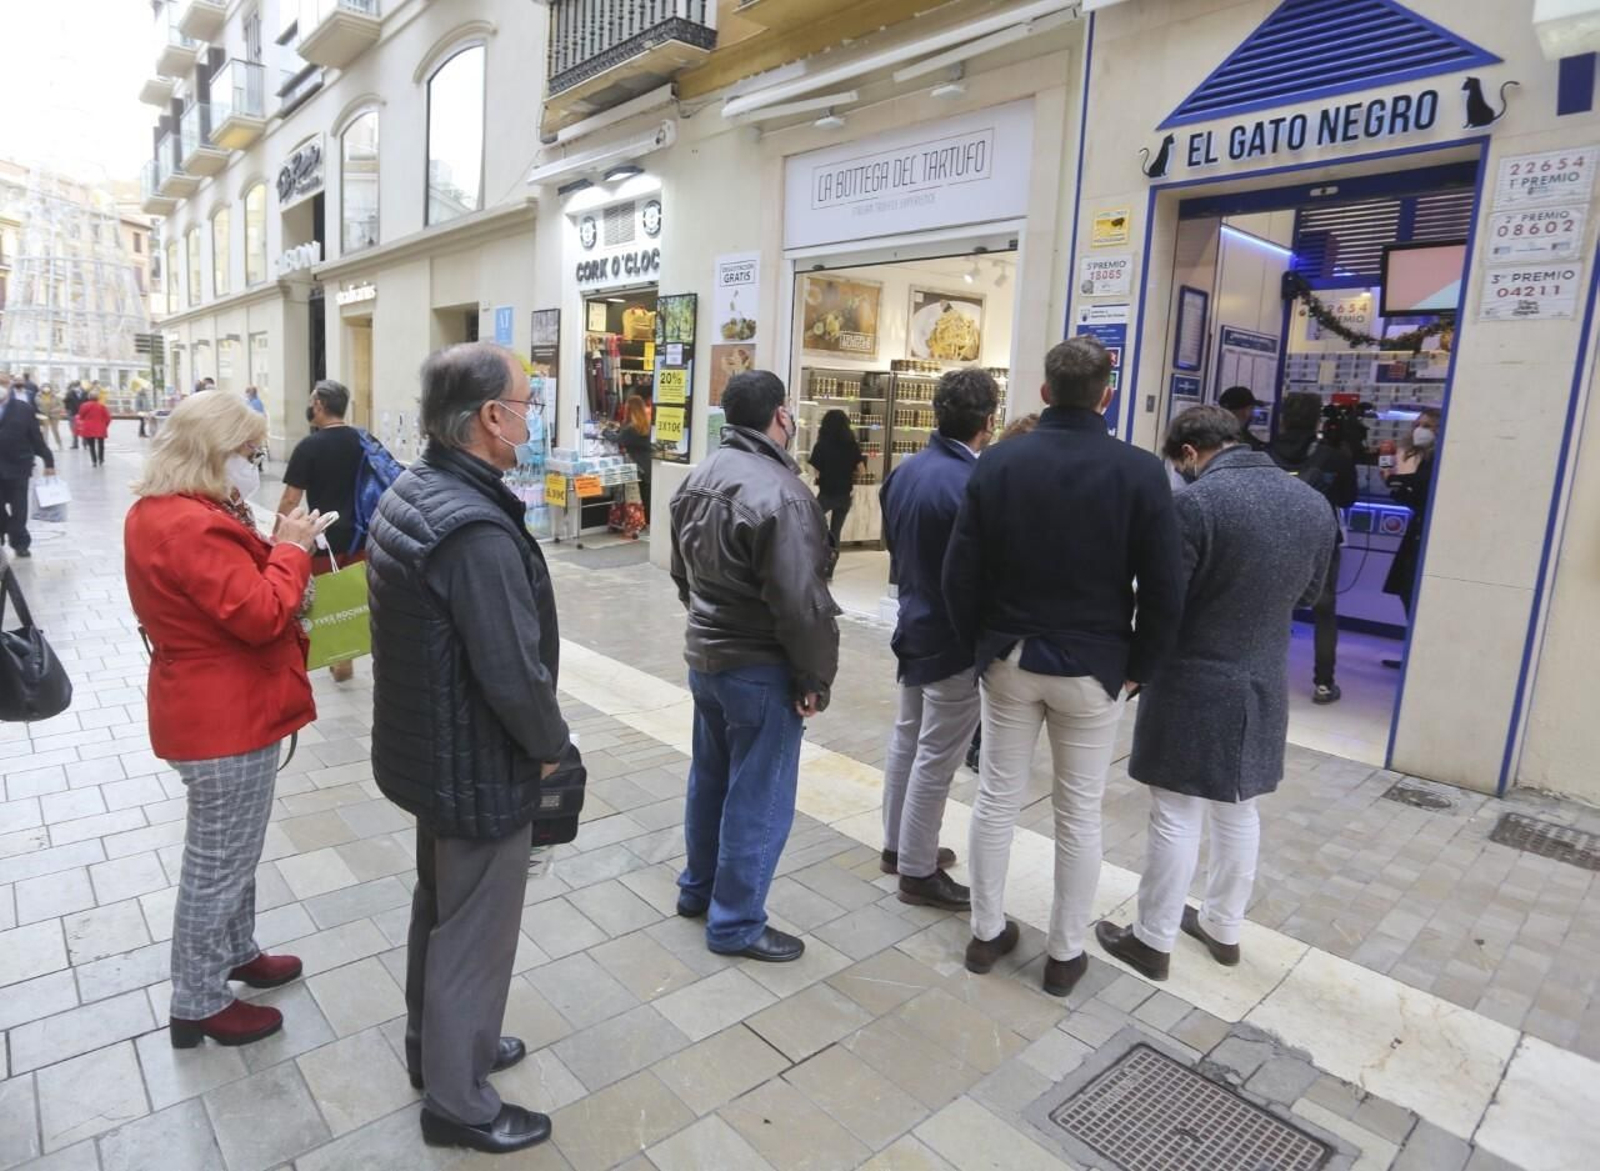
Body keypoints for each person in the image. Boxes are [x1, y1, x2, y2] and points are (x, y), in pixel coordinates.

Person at [368, 342, 569, 1155]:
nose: (532, 414)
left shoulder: (418, 490)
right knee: (476, 930)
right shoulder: (472, 527)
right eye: (526, 401)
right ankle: (459, 1102)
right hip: (477, 762)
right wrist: (550, 746)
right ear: (490, 417)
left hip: (434, 752)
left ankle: (448, 1047)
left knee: (443, 912)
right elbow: (512, 675)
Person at [943, 337, 1184, 998]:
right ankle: (1064, 953)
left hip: (1010, 658)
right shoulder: (1140, 471)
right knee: (1079, 813)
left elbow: (959, 571)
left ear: (1045, 392)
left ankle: (986, 932)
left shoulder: (998, 462)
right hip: (1096, 666)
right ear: (1107, 394)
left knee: (996, 796)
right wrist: (1142, 667)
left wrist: (978, 648)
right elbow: (1165, 584)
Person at [1096, 406, 1336, 981]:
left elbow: (1164, 602)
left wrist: (1135, 669)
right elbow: (1311, 592)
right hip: (1262, 677)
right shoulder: (1311, 503)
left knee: (1175, 811)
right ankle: (1224, 928)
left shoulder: (1196, 505)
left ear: (1188, 453)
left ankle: (1151, 939)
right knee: (1239, 808)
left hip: (1192, 680)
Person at [124, 391, 329, 1048]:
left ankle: (235, 949)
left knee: (234, 850)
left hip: (223, 704)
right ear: (213, 451)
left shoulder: (174, 510)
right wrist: (292, 549)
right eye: (246, 451)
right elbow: (261, 612)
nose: (255, 461)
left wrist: (265, 535)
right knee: (217, 860)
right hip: (223, 715)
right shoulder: (189, 523)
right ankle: (199, 999)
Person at [669, 370, 839, 963]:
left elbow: (680, 573)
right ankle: (737, 922)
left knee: (710, 778)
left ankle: (697, 890)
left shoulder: (698, 476)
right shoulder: (784, 493)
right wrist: (813, 677)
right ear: (780, 416)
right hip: (761, 667)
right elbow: (803, 606)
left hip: (707, 657)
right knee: (759, 795)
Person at [878, 368, 998, 911]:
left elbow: (892, 545)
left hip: (913, 621)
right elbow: (978, 571)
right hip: (952, 637)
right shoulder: (973, 484)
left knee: (908, 737)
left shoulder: (905, 472)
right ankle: (918, 870)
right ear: (988, 422)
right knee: (936, 755)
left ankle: (898, 845)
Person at [1269, 392, 1358, 704]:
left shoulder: (1264, 452)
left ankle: (1265, 677)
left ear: (1283, 418)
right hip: (1319, 540)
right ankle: (1323, 684)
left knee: (1269, 608)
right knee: (1324, 611)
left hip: (1270, 539)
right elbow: (1348, 499)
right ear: (1318, 419)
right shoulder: (1334, 457)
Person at [278, 380, 365, 682]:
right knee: (353, 595)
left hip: (323, 537)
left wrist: (279, 537)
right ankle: (348, 655)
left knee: (326, 597)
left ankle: (336, 656)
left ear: (318, 405)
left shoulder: (309, 446)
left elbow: (291, 498)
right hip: (360, 535)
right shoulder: (363, 440)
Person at [1381, 408, 1439, 667]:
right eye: (1418, 424)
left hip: (1427, 535)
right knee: (1406, 589)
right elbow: (1411, 493)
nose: (1420, 429)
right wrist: (1392, 481)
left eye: (1427, 425)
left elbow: (1422, 492)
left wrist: (1400, 484)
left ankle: (1421, 656)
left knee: (1414, 591)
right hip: (1416, 531)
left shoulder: (1439, 461)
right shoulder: (1421, 458)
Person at [0, 373, 57, 558]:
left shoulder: (23, 409)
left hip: (19, 466)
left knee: (19, 508)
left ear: (8, 386)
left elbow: (35, 437)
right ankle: (4, 528)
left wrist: (48, 460)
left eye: (3, 383)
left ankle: (20, 542)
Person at [808, 408, 866, 579]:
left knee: (812, 524)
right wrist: (849, 473)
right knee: (836, 532)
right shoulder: (852, 445)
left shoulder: (821, 445)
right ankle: (830, 570)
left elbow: (815, 471)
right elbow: (862, 471)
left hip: (826, 494)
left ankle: (816, 561)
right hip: (844, 495)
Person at [614, 393, 653, 538]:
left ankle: (640, 524)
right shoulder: (645, 425)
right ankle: (648, 524)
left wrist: (604, 431)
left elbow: (619, 439)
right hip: (647, 465)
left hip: (639, 467)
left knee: (638, 498)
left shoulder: (632, 428)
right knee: (646, 497)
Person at [1218, 385, 1268, 451]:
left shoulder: (1209, 435)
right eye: (1251, 409)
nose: (1253, 414)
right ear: (1246, 411)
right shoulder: (1246, 444)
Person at [76, 388, 112, 468]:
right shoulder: (102, 406)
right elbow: (108, 418)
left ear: (89, 397)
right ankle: (101, 459)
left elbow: (81, 416)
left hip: (88, 427)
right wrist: (105, 426)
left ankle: (94, 461)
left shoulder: (84, 405)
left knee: (91, 445)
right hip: (100, 427)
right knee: (101, 444)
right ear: (98, 398)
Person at [36, 384, 64, 451]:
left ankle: (59, 444)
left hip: (54, 415)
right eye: (44, 387)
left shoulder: (55, 396)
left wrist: (55, 410)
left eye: (47, 387)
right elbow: (36, 405)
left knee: (55, 430)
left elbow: (61, 405)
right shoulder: (38, 396)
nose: (46, 389)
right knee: (45, 431)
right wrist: (39, 410)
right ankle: (45, 445)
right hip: (44, 415)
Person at [63, 382, 84, 450]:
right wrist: (68, 410)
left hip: (81, 413)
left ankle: (84, 442)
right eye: (75, 386)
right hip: (73, 413)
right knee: (74, 429)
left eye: (77, 386)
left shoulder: (84, 392)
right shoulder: (70, 393)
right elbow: (65, 401)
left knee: (82, 428)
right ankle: (75, 444)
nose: (76, 388)